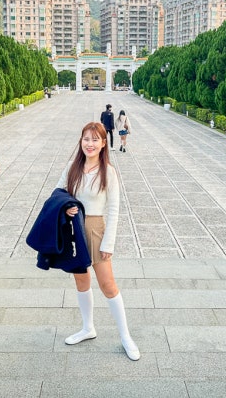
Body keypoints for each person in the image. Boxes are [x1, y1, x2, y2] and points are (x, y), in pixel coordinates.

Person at [56, 121, 140, 361]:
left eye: (95, 140)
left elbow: (113, 209)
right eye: (86, 139)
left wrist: (108, 243)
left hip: (96, 229)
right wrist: (66, 206)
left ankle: (125, 336)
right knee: (81, 281)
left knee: (107, 284)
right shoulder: (72, 167)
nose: (89, 144)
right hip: (74, 230)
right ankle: (87, 328)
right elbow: (57, 193)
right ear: (81, 141)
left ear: (104, 143)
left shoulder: (108, 172)